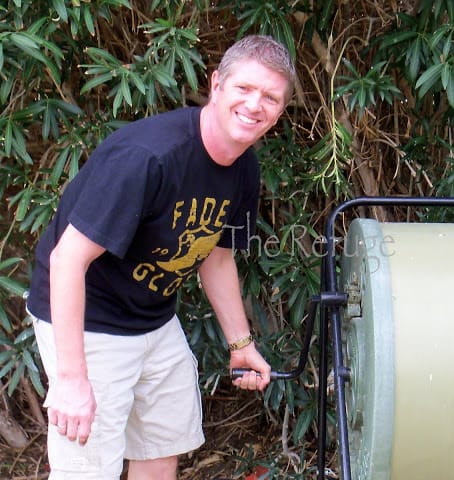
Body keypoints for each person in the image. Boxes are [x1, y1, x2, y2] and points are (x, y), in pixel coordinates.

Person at [26, 34, 296, 479]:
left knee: (161, 447)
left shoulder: (245, 166)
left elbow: (217, 257)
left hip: (152, 317)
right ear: (216, 85)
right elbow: (66, 259)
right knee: (87, 470)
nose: (255, 105)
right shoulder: (148, 156)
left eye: (270, 97)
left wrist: (241, 344)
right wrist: (72, 382)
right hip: (88, 318)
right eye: (244, 89)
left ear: (280, 111)